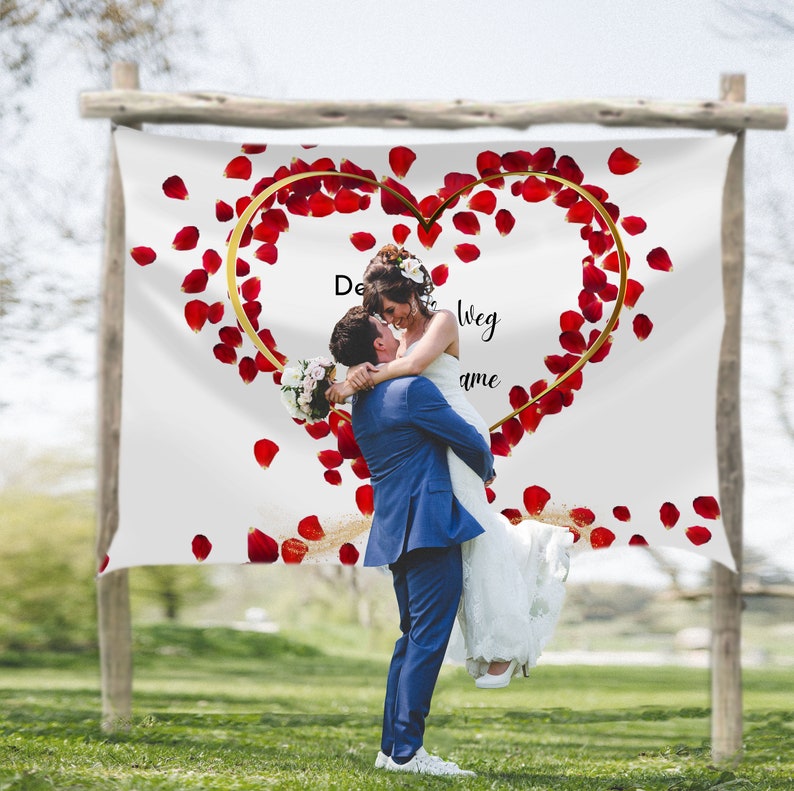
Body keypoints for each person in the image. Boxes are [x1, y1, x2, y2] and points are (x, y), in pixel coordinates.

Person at [327, 244, 572, 688]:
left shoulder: (441, 322)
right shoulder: (393, 339)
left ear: (411, 292)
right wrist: (359, 372)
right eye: (385, 314)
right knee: (462, 538)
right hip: (433, 435)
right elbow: (393, 363)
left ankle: (502, 646)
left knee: (474, 531)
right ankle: (492, 635)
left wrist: (352, 383)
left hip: (456, 426)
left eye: (393, 307)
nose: (394, 318)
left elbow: (416, 366)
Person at [328, 306, 494, 777]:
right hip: (431, 524)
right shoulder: (412, 390)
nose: (396, 331)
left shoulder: (364, 402)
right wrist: (486, 469)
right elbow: (469, 440)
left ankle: (392, 748)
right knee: (426, 641)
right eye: (386, 328)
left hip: (394, 529)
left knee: (411, 640)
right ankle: (406, 753)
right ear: (379, 346)